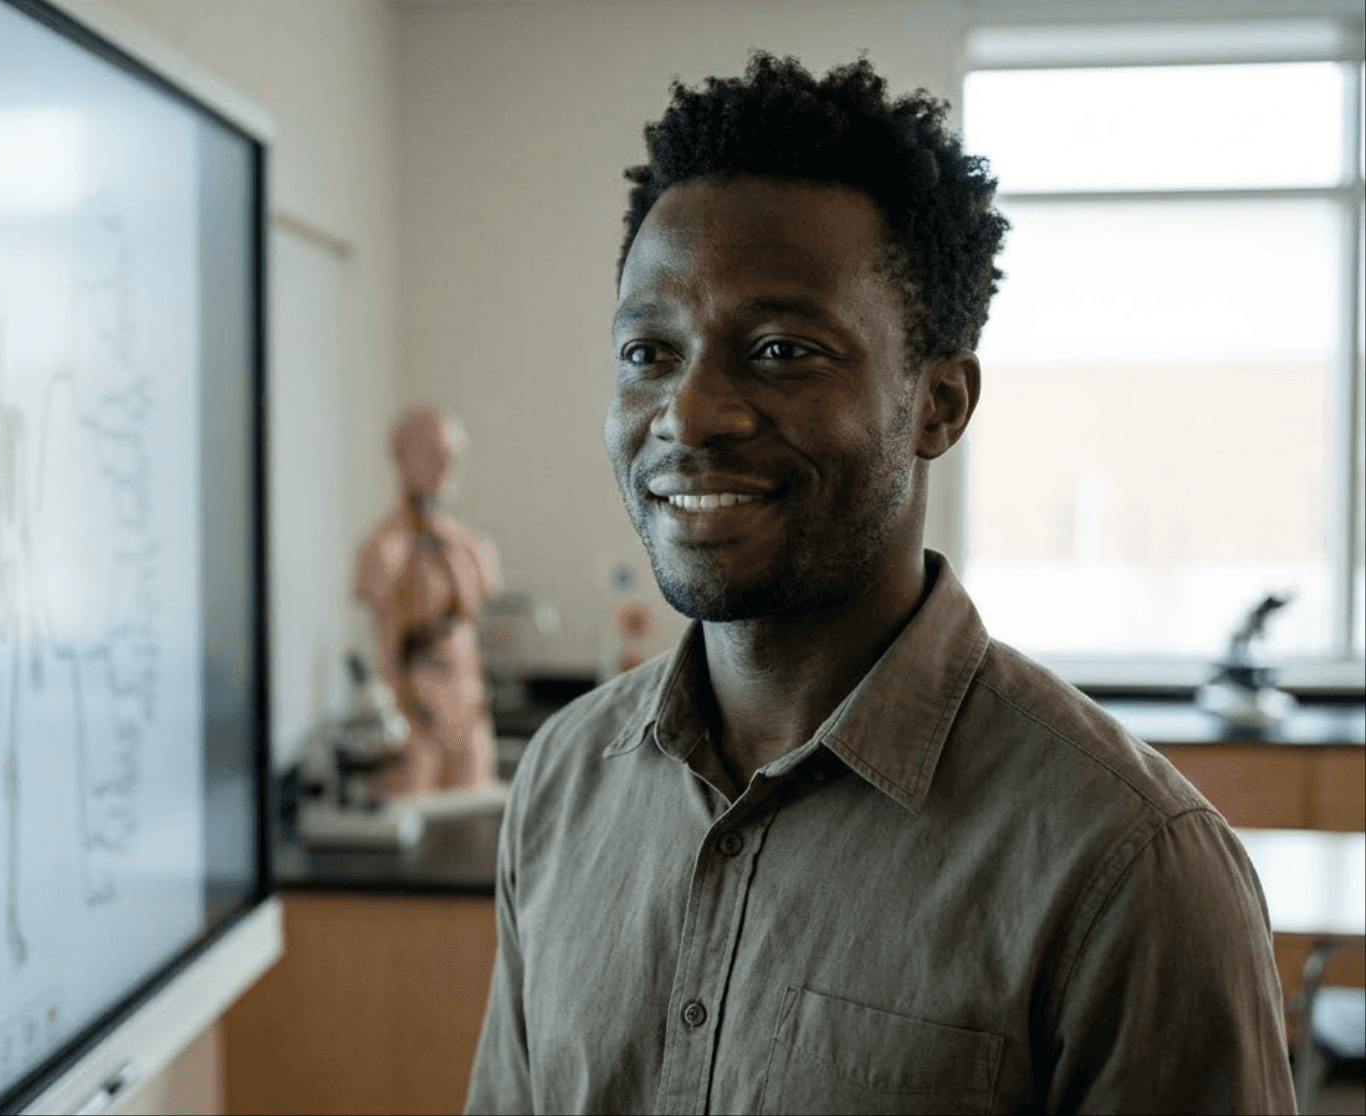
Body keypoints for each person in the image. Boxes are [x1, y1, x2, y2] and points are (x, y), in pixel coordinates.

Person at [466, 53, 1293, 1114]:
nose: (691, 414)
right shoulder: (562, 783)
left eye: (779, 349)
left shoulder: (1129, 867)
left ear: (940, 403)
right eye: (649, 351)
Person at [355, 404, 501, 794]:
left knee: (476, 840)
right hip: (416, 724)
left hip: (469, 718)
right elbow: (374, 602)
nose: (447, 465)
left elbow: (478, 603)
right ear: (402, 458)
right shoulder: (386, 549)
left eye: (453, 454)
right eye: (434, 453)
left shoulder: (467, 546)